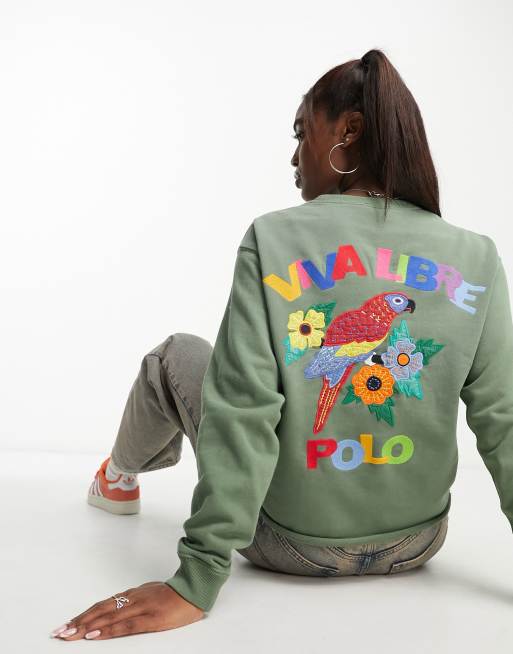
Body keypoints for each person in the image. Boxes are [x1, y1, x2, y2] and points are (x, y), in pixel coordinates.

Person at [50, 48, 513, 641]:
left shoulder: (272, 238)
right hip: (417, 541)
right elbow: (503, 419)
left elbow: (243, 406)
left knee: (176, 354)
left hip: (289, 544)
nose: (294, 157)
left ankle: (117, 477)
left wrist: (198, 576)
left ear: (348, 131)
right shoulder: (476, 255)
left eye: (301, 133)